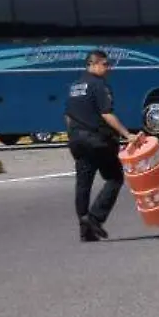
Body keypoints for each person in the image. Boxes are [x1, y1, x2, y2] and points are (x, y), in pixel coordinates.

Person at [64, 50, 146, 242]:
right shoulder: (98, 85)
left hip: (76, 140)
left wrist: (72, 135)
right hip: (97, 140)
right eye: (105, 64)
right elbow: (106, 114)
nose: (108, 68)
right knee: (114, 177)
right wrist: (128, 135)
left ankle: (85, 228)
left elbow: (67, 115)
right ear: (93, 64)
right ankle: (94, 218)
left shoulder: (75, 86)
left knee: (83, 183)